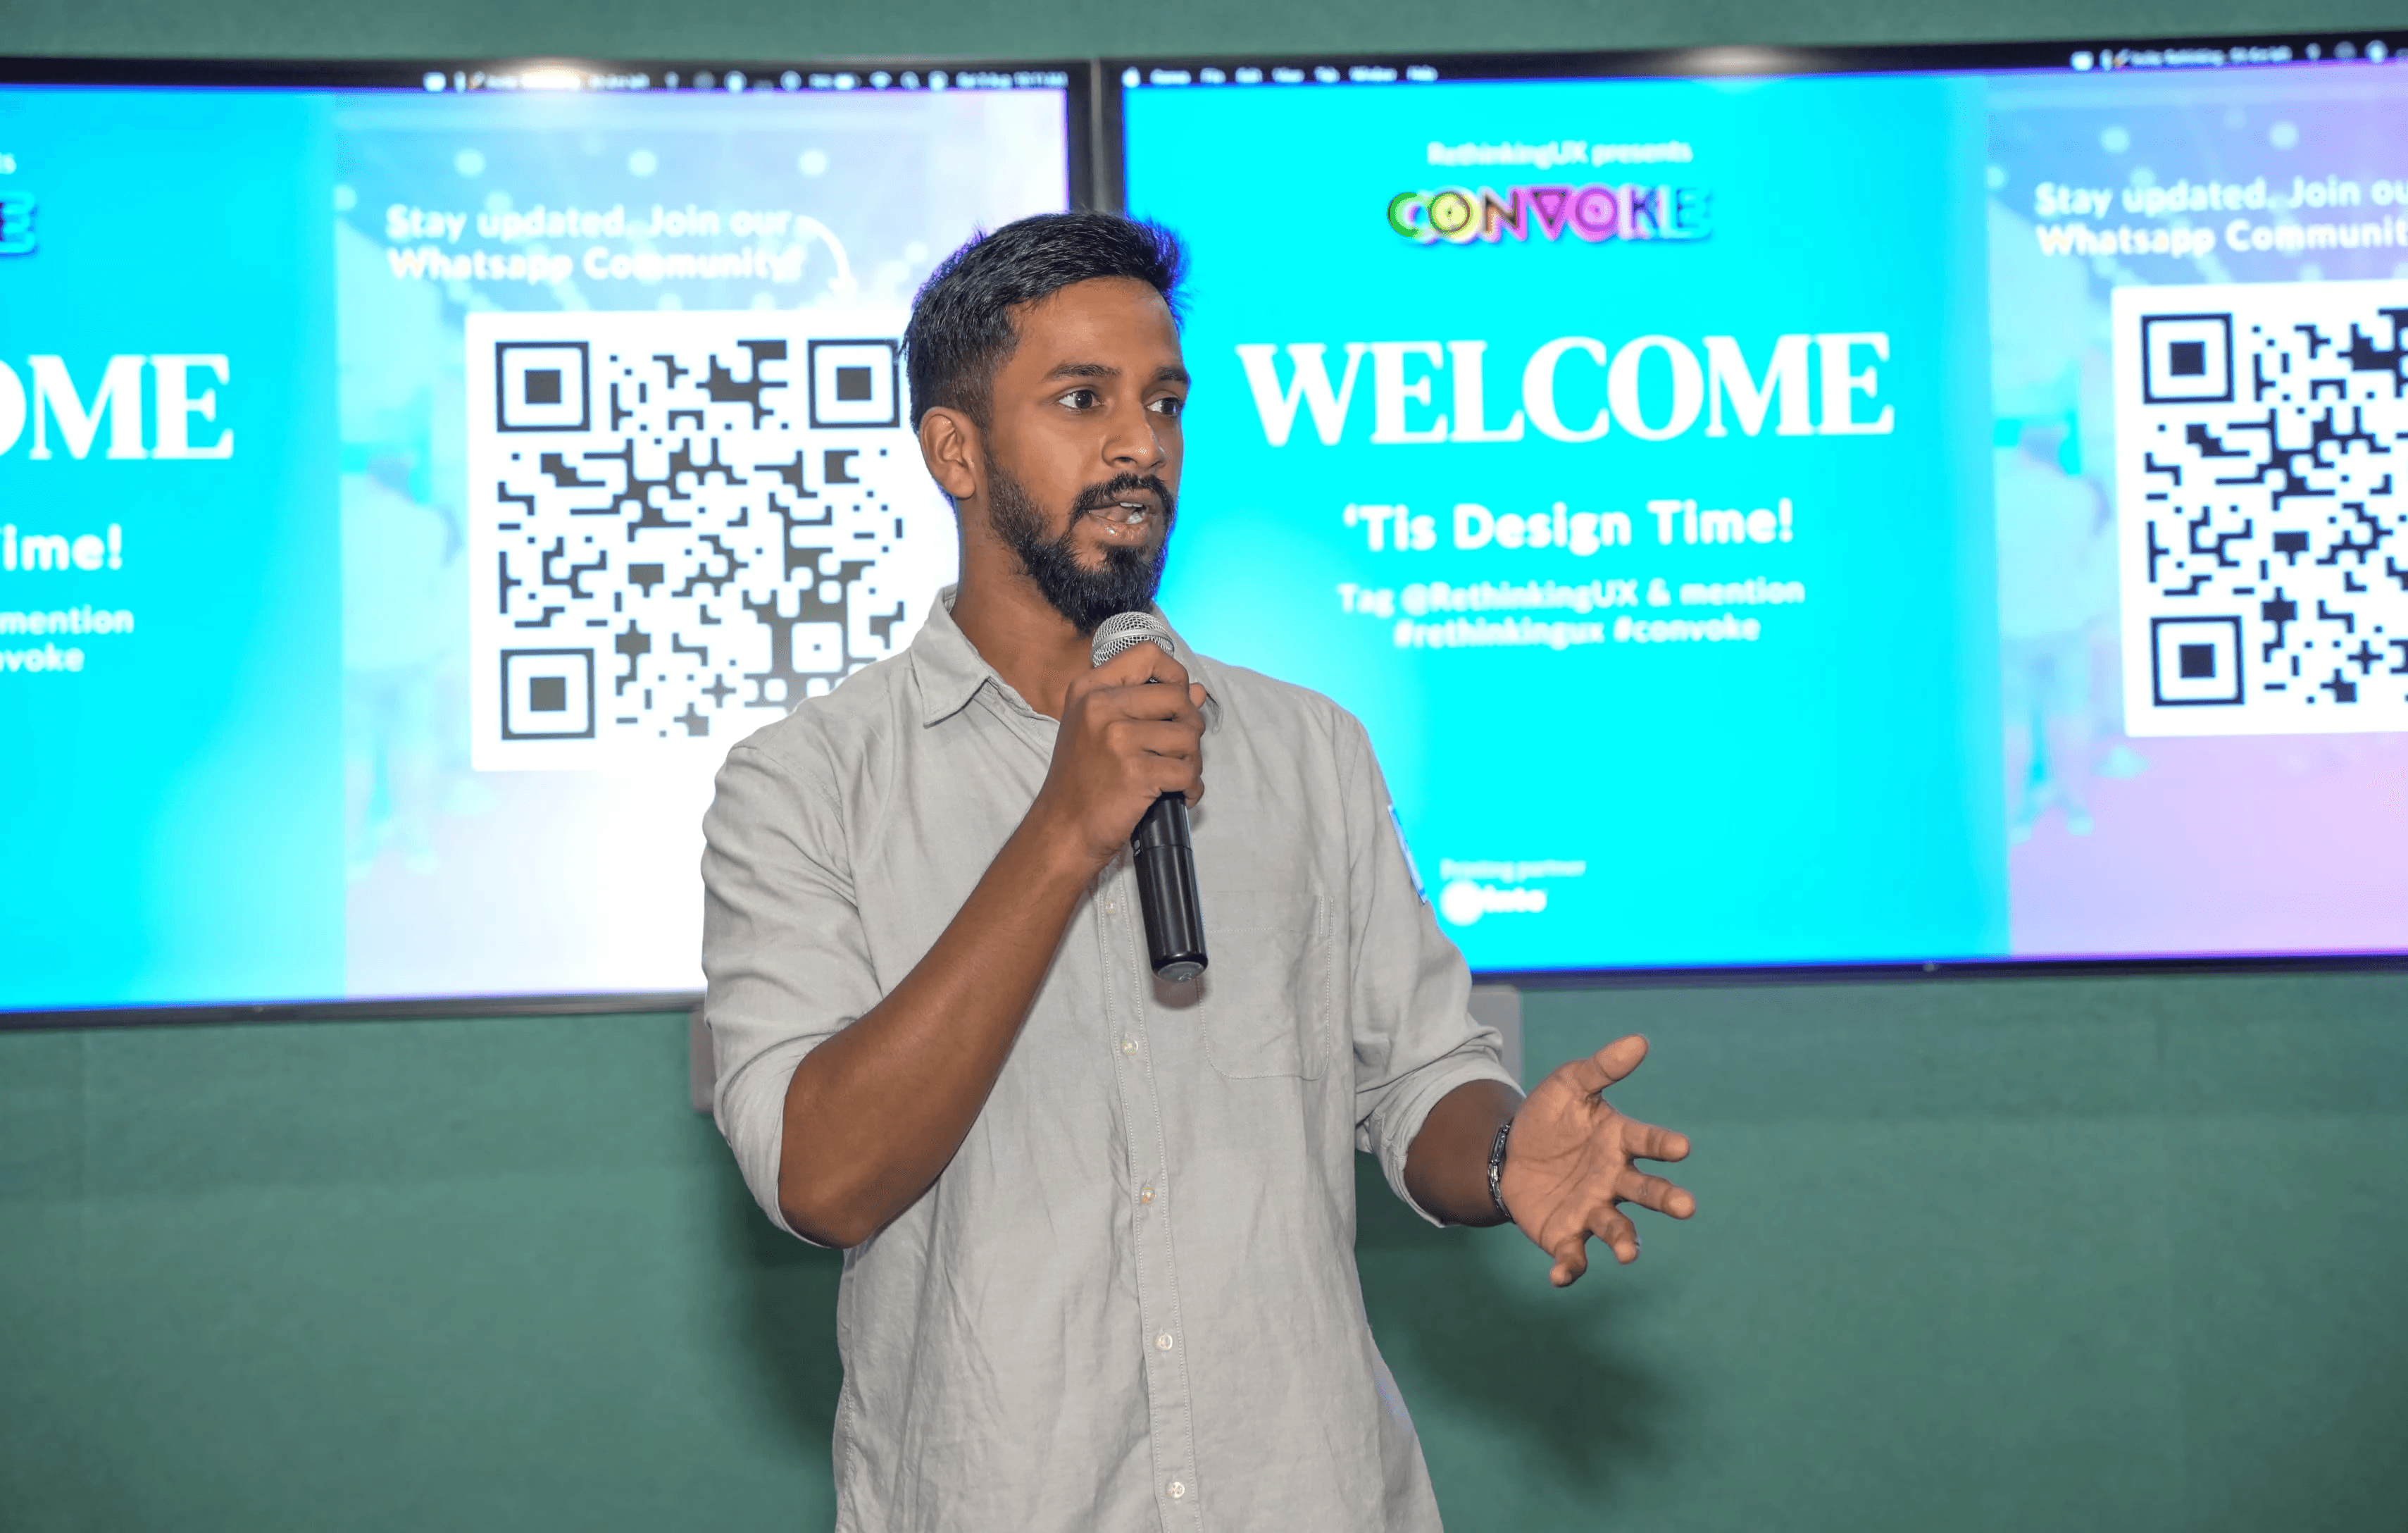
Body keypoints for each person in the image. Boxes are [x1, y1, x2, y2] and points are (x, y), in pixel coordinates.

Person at [701, 211, 1695, 1532]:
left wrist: (1504, 1148)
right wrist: (1064, 832)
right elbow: (820, 1177)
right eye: (1081, 400)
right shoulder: (801, 785)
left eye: (1163, 402)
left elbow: (1417, 1083)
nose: (1139, 447)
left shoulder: (1306, 750)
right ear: (954, 450)